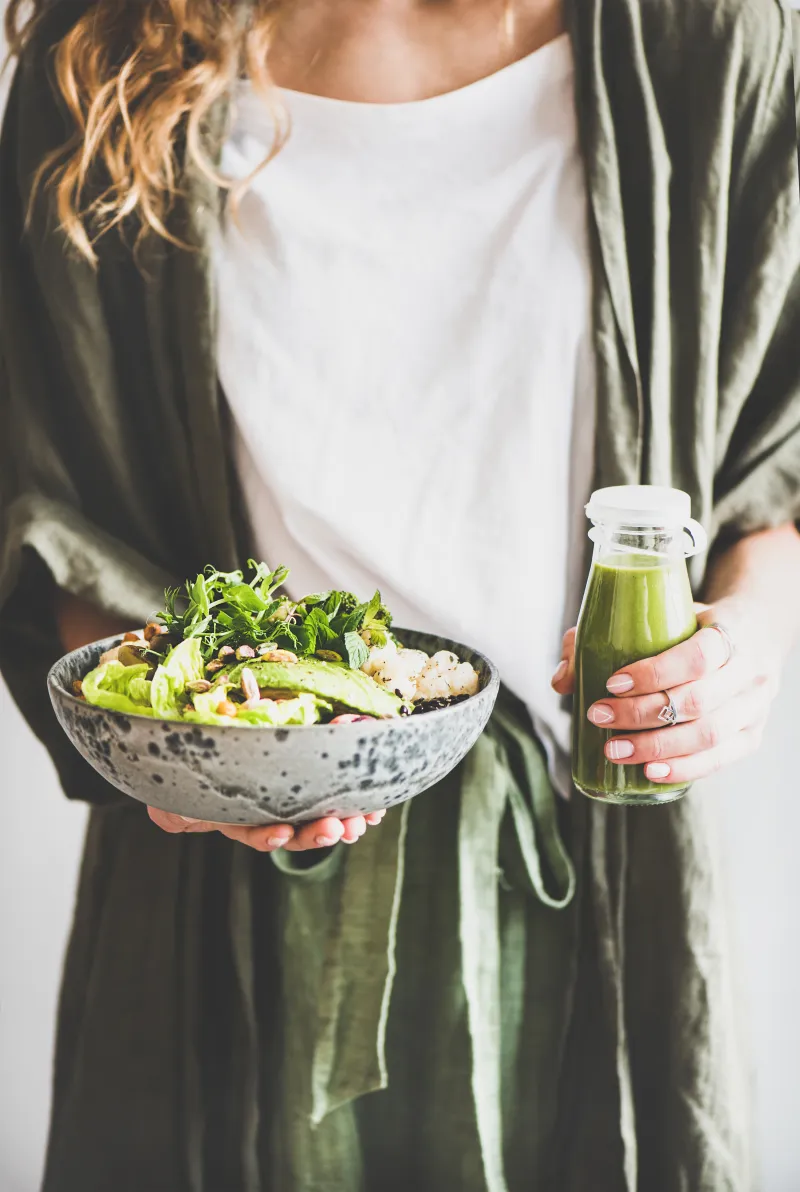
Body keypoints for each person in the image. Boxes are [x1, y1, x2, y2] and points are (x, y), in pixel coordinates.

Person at [2, 0, 800, 1188]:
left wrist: (742, 643)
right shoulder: (104, 52)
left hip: (586, 852)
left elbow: (770, 465)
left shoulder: (706, 34)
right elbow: (43, 500)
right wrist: (173, 742)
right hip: (222, 879)